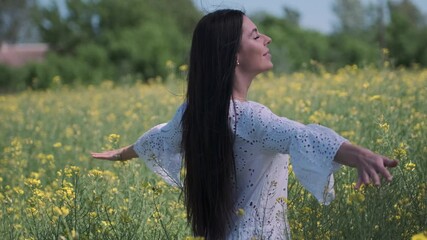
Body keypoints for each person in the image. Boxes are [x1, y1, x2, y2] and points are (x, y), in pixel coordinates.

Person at [91, 9, 398, 240]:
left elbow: (161, 137)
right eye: (254, 36)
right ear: (232, 55)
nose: (267, 39)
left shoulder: (194, 112)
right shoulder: (247, 117)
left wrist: (123, 153)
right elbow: (305, 137)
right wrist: (362, 156)